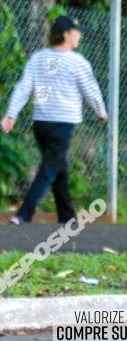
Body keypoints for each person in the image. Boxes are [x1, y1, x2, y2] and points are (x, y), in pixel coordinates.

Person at [1, 15, 108, 225]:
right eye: (77, 32)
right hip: (63, 123)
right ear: (66, 34)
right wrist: (101, 112)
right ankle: (23, 214)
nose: (80, 36)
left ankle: (67, 217)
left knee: (58, 166)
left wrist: (11, 114)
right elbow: (91, 91)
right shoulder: (78, 62)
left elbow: (24, 87)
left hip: (41, 123)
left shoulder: (38, 57)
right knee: (50, 168)